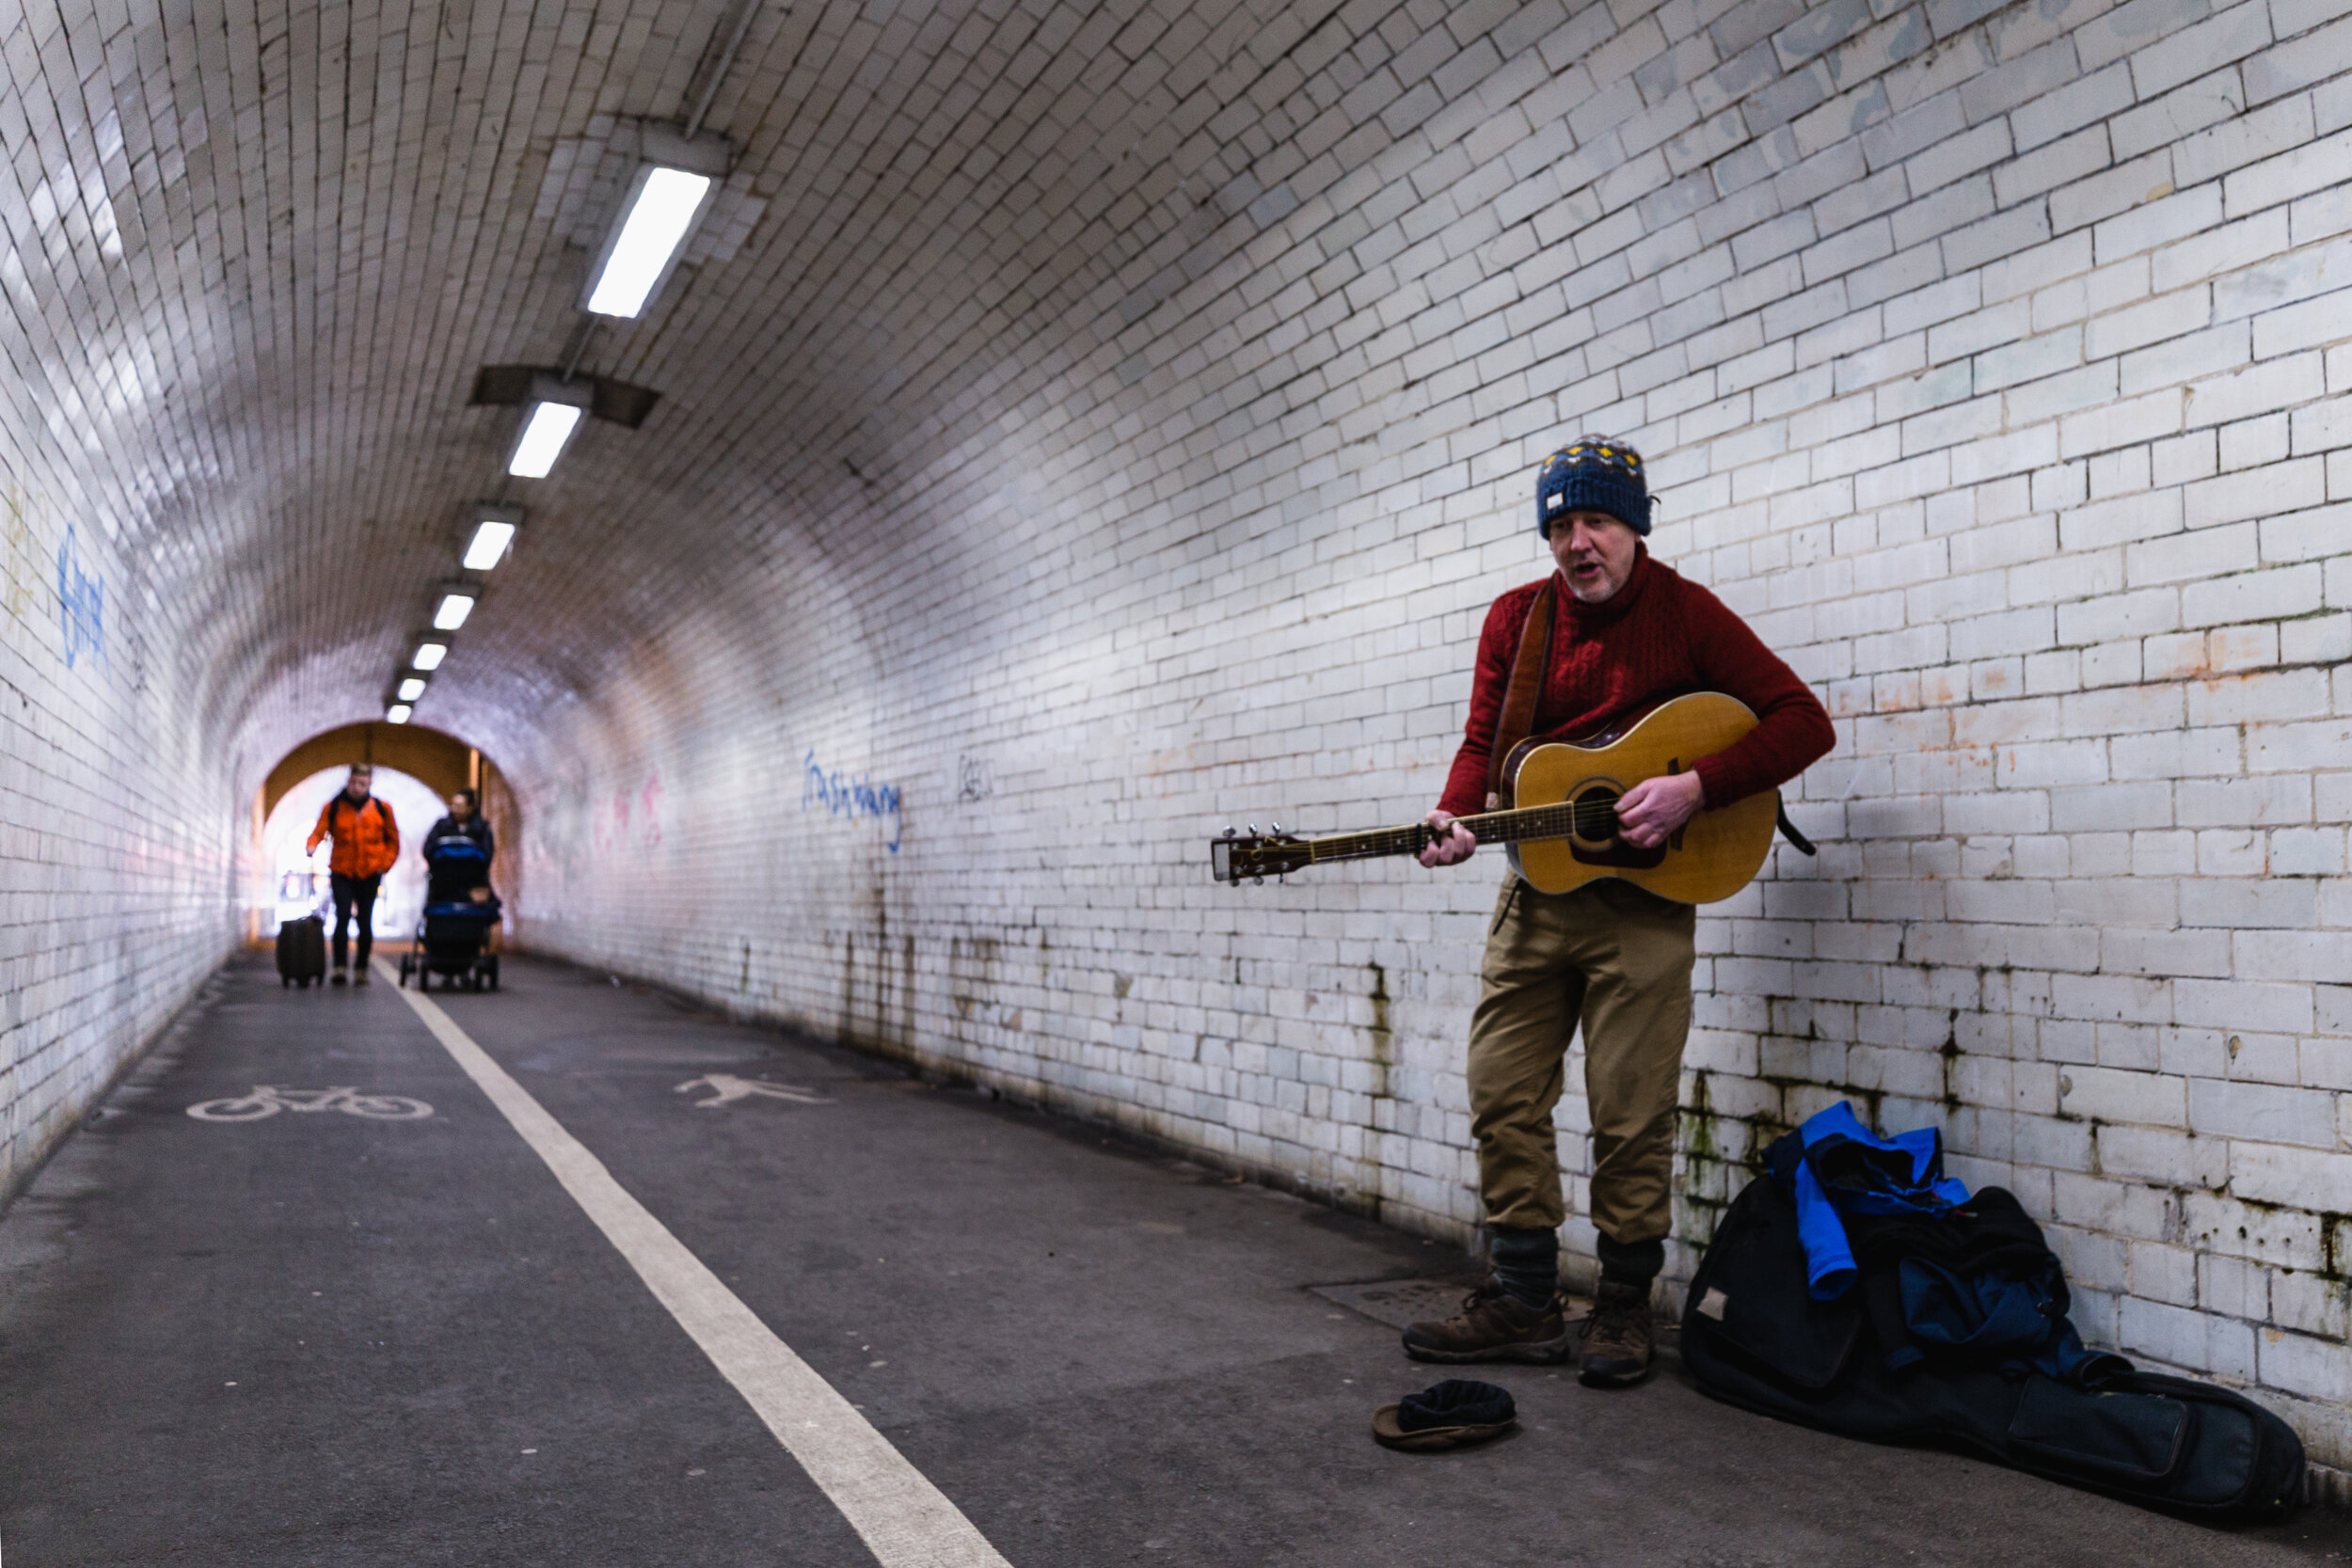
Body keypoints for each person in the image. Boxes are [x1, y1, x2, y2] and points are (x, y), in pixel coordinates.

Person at [1404, 437, 1836, 1387]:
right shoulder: (1517, 620)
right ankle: (1522, 1300)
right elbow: (1483, 744)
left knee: (1631, 1113)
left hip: (1645, 903)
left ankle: (1622, 1308)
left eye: (1594, 519)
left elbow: (1803, 718)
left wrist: (1696, 788)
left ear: (1633, 522)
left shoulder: (1686, 613)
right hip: (1535, 892)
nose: (1575, 541)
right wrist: (1454, 813)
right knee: (1499, 1089)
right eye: (1558, 524)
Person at [306, 764, 400, 985]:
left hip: (370, 872)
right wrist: (311, 845)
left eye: (362, 783)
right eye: (354, 782)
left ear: (369, 784)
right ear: (348, 781)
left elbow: (393, 841)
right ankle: (339, 967)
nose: (357, 787)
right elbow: (319, 831)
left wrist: (383, 865)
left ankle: (361, 968)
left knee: (365, 920)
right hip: (342, 871)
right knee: (343, 916)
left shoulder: (381, 808)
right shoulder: (334, 807)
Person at [422, 789, 495, 861]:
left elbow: (487, 854)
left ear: (470, 808)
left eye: (459, 806)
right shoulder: (442, 825)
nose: (455, 809)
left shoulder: (482, 828)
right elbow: (428, 849)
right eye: (453, 805)